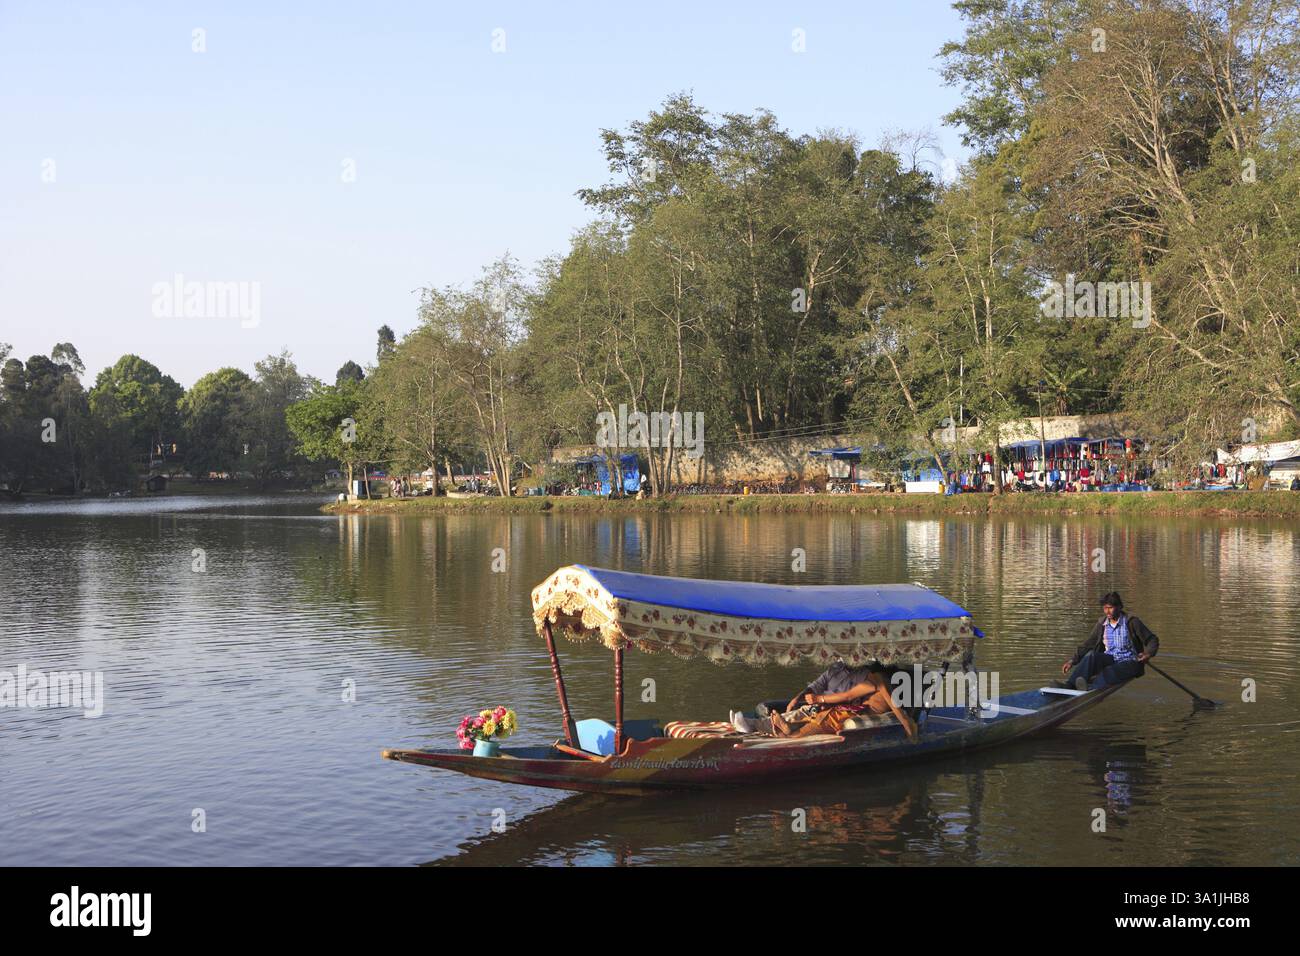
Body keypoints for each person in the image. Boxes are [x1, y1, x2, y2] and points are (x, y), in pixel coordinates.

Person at [730, 662, 919, 741]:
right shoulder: (874, 680)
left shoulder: (876, 680)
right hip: (844, 709)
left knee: (816, 722)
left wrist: (906, 723)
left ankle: (786, 733)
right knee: (811, 718)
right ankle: (783, 729)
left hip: (848, 711)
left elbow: (849, 696)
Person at [1059, 591, 1158, 691]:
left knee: (1109, 671)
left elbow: (1152, 639)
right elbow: (1088, 644)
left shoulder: (1131, 622)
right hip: (1110, 659)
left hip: (1129, 662)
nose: (1107, 612)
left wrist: (1148, 653)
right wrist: (1072, 661)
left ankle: (1091, 689)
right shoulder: (1102, 624)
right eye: (1105, 608)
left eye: (1110, 608)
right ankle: (1069, 685)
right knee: (1091, 656)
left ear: (1119, 607)